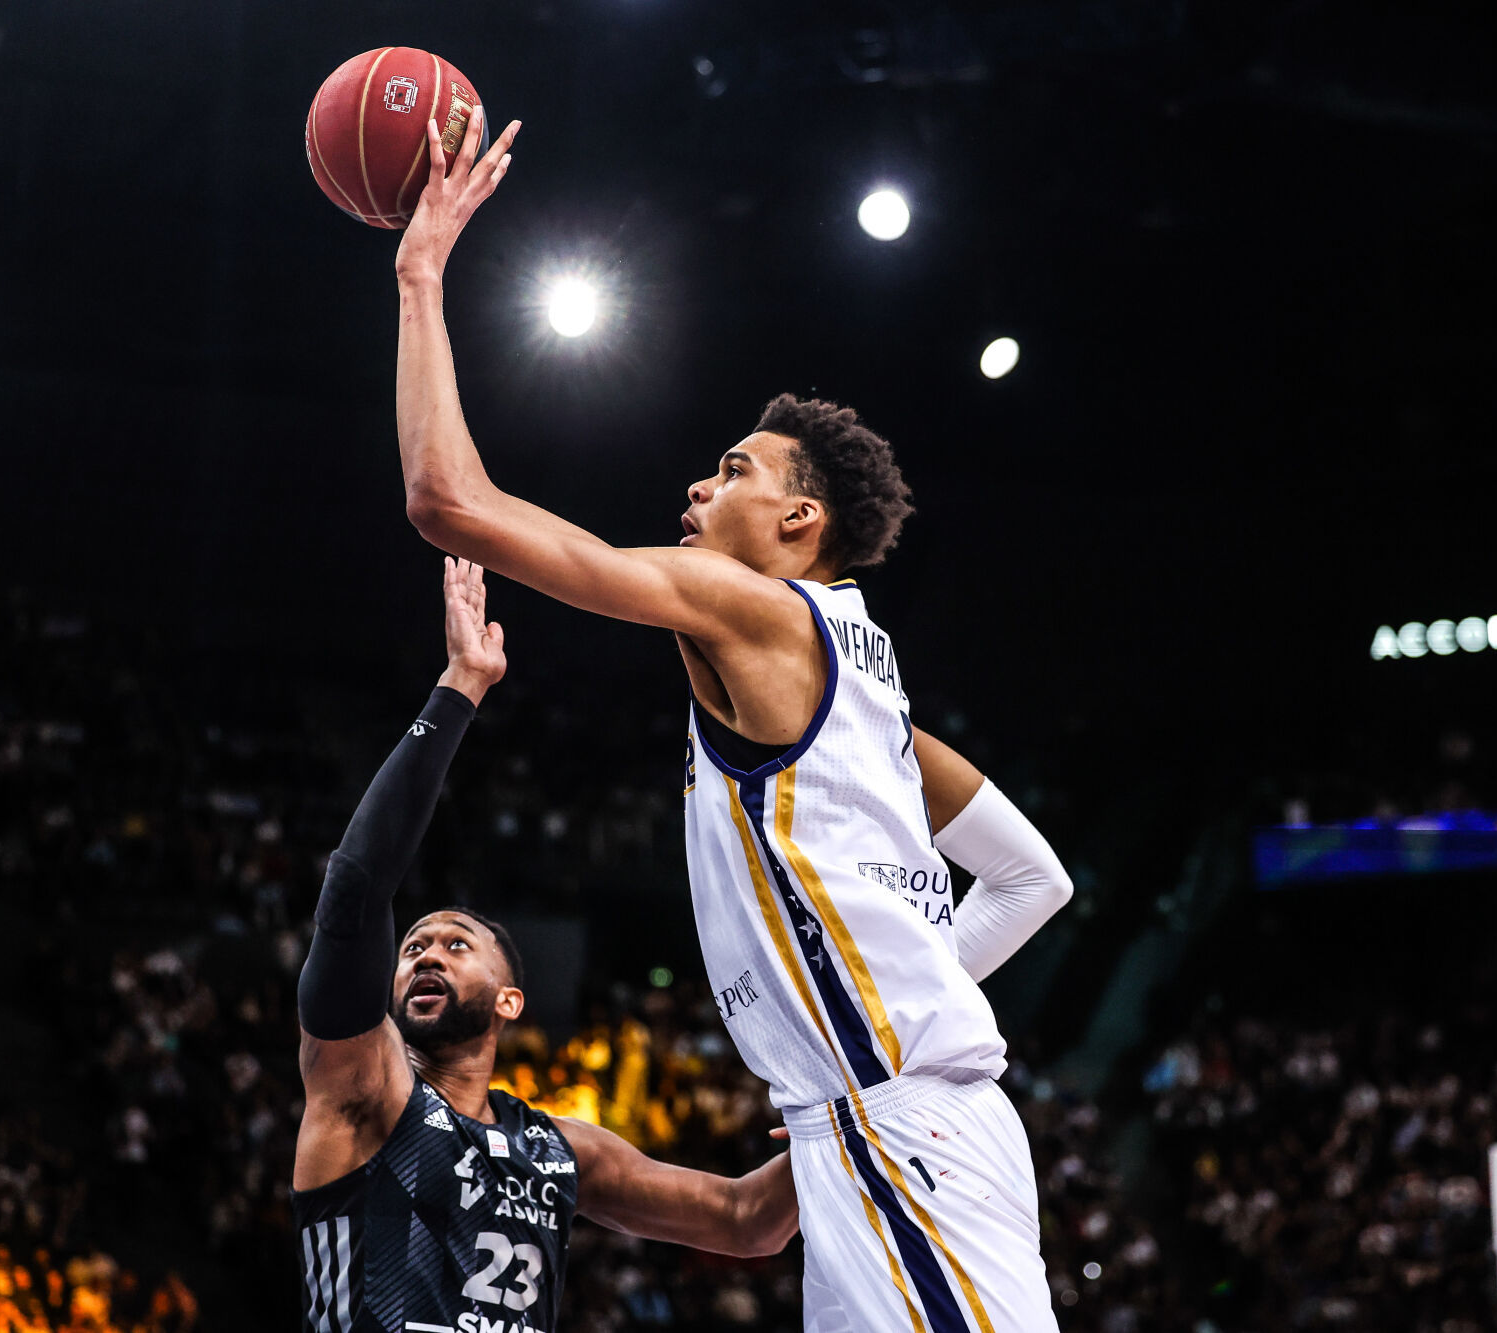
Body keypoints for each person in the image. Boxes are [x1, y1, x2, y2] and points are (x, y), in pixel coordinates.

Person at [387, 111, 1075, 1331]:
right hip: (876, 1126)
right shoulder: (868, 695)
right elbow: (1033, 879)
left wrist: (421, 276)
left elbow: (450, 501)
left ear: (800, 522)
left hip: (904, 1132)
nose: (701, 486)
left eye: (737, 470)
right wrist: (884, 1033)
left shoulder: (754, 611)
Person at [293, 558, 799, 1333]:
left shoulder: (563, 1150)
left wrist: (841, 1127)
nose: (425, 953)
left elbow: (745, 1220)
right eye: (414, 946)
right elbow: (356, 887)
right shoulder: (364, 1091)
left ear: (510, 1000)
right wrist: (460, 686)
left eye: (455, 944)